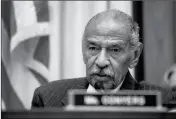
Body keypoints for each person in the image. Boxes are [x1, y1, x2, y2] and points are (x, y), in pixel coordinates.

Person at [31, 9, 175, 109]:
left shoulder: (163, 102)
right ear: (83, 50)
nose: (100, 62)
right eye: (93, 48)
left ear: (135, 56)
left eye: (115, 50)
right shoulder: (47, 98)